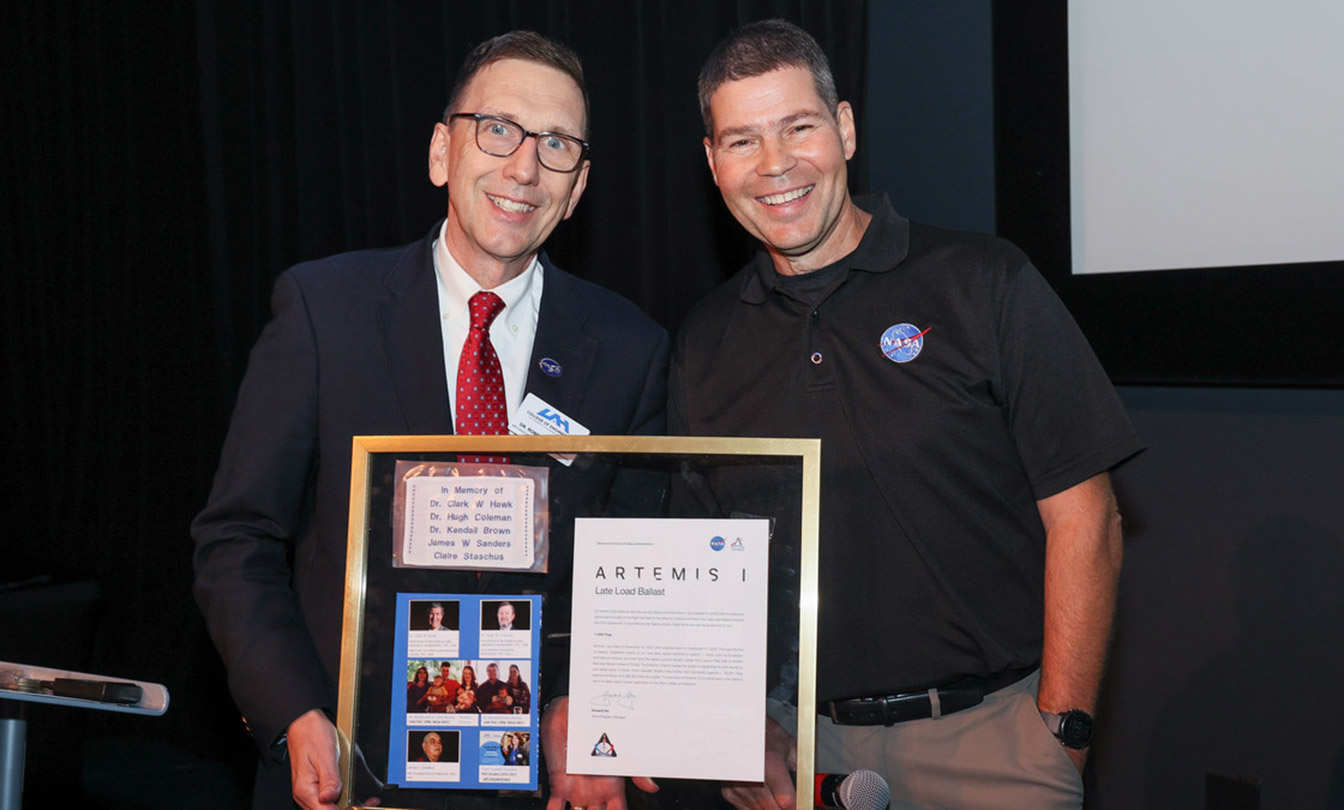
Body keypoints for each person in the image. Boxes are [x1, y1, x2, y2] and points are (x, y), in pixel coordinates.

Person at [671, 19, 1144, 810]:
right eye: (743, 141)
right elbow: (705, 573)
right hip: (805, 756)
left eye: (798, 127)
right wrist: (742, 728)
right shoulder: (703, 343)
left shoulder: (982, 282)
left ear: (845, 129)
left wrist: (1060, 733)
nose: (776, 165)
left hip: (993, 744)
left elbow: (1086, 519)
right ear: (714, 164)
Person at [192, 29, 668, 810]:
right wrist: (295, 715)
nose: (523, 167)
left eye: (556, 145)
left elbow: (633, 582)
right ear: (442, 153)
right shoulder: (324, 312)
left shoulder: (630, 351)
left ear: (577, 189)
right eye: (499, 130)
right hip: (346, 772)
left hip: (540, 783)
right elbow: (235, 540)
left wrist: (589, 715)